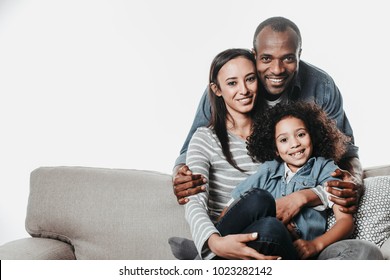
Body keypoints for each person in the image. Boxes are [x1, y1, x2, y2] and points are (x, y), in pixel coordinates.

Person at [174, 16, 383, 260]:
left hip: (304, 240)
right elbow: (218, 184)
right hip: (262, 231)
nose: (276, 69)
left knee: (364, 254)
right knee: (266, 216)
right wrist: (213, 237)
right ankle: (208, 254)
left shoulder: (321, 89)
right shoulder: (225, 99)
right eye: (266, 59)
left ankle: (202, 258)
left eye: (288, 58)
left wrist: (307, 197)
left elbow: (346, 157)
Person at [185, 48, 306, 260]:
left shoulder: (277, 135)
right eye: (232, 83)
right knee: (258, 198)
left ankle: (199, 263)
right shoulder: (205, 138)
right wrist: (215, 242)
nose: (244, 90)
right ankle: (207, 258)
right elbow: (194, 202)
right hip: (224, 236)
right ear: (217, 89)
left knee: (270, 226)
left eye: (250, 79)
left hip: (272, 233)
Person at [221, 102, 354, 259]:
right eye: (284, 140)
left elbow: (346, 221)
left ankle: (207, 261)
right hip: (255, 238)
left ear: (312, 135)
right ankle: (216, 253)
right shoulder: (269, 169)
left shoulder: (324, 168)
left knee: (272, 226)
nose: (295, 144)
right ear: (275, 149)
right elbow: (231, 208)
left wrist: (316, 244)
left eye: (301, 134)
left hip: (289, 246)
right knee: (259, 198)